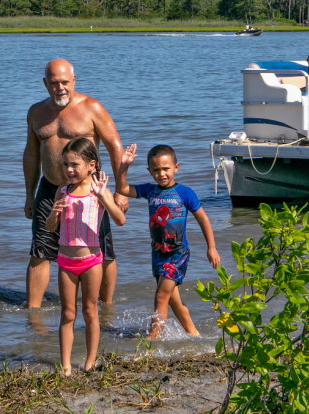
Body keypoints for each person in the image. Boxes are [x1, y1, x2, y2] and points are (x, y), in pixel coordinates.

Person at [23, 59, 128, 308]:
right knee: (40, 249)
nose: (60, 88)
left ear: (74, 80)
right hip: (50, 189)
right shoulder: (36, 112)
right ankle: (33, 316)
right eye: (54, 83)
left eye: (65, 83)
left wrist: (121, 190)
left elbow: (115, 146)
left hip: (90, 191)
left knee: (102, 251)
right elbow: (31, 154)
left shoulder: (91, 107)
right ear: (45, 83)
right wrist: (29, 195)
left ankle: (105, 309)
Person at [116, 143, 220, 340]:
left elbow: (203, 219)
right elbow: (122, 188)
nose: (161, 174)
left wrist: (211, 247)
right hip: (158, 254)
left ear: (176, 167)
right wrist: (124, 166)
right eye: (156, 170)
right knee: (173, 300)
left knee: (161, 295)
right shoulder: (150, 191)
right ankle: (195, 335)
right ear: (149, 171)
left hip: (177, 254)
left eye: (166, 169)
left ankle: (154, 336)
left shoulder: (184, 193)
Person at [45, 138, 125, 375]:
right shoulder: (63, 191)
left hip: (92, 262)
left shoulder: (98, 190)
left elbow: (120, 220)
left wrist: (103, 198)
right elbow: (50, 228)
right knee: (68, 313)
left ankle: (90, 361)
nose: (69, 170)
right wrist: (53, 212)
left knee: (90, 311)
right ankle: (66, 365)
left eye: (74, 165)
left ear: (91, 165)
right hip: (65, 262)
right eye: (65, 165)